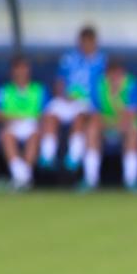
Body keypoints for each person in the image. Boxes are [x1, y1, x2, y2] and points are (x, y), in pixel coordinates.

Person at [39, 24, 105, 173]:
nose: (86, 45)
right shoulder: (69, 58)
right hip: (65, 99)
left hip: (86, 102)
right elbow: (59, 81)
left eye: (89, 42)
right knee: (49, 115)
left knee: (79, 117)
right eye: (83, 42)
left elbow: (104, 86)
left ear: (95, 42)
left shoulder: (102, 61)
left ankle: (74, 156)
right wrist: (63, 95)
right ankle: (47, 155)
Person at [0, 56, 47, 190]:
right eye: (18, 69)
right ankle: (22, 177)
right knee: (6, 136)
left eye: (24, 68)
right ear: (12, 71)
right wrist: (7, 118)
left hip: (33, 125)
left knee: (34, 136)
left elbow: (48, 113)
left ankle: (21, 179)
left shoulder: (39, 90)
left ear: (29, 70)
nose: (21, 72)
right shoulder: (3, 90)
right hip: (11, 124)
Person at [85, 57, 137, 191]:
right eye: (112, 73)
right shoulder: (98, 84)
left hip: (125, 123)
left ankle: (131, 180)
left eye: (118, 73)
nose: (115, 77)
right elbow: (95, 113)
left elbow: (132, 113)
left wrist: (119, 125)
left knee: (133, 131)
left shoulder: (132, 84)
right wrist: (109, 125)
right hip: (104, 123)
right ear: (107, 73)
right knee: (91, 129)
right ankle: (90, 180)